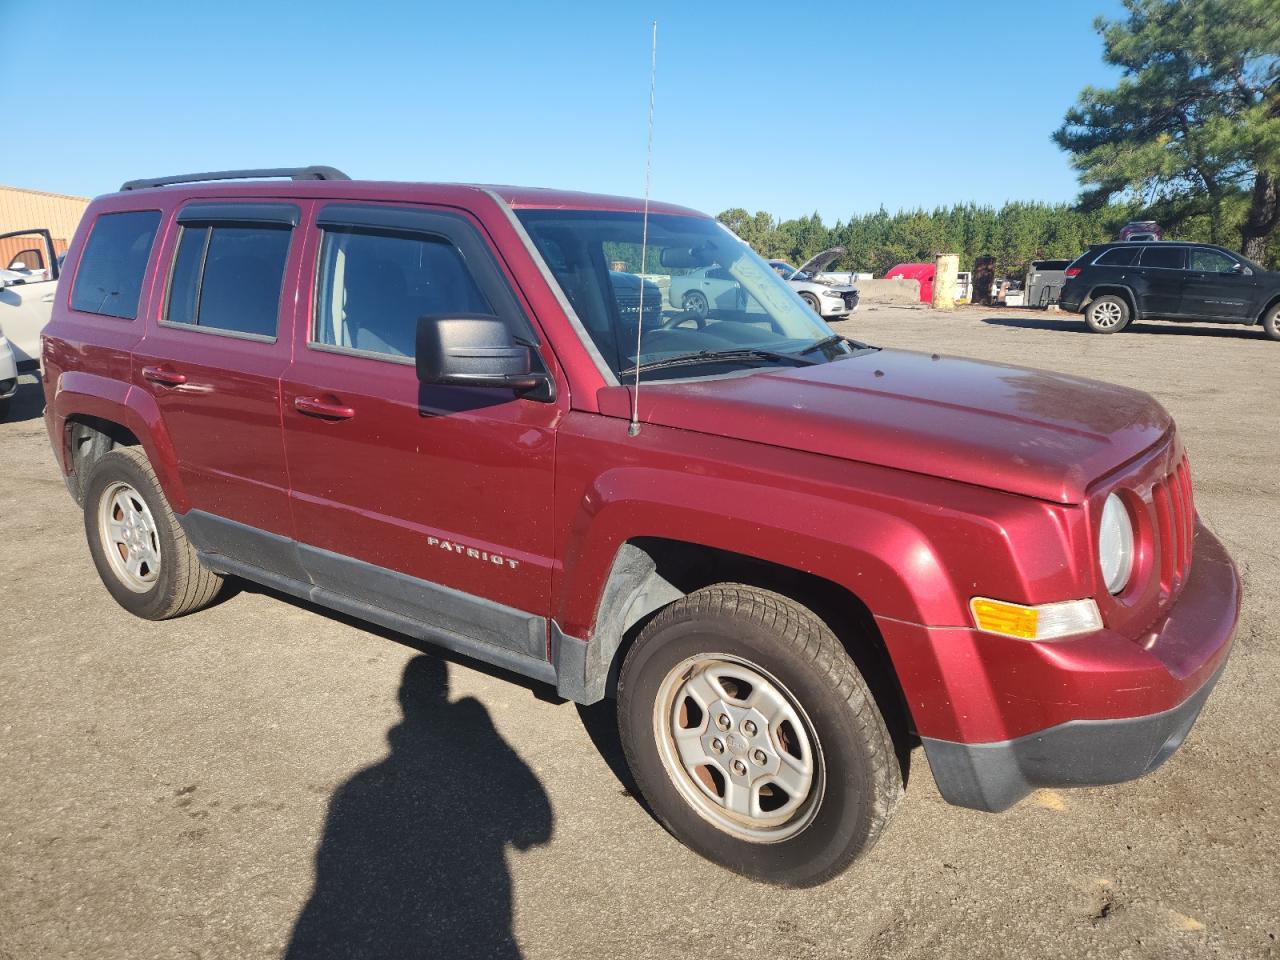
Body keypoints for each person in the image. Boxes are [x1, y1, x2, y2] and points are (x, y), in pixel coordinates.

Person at [285, 655, 553, 959]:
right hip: (475, 929)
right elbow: (537, 827)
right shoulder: (363, 789)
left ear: (402, 699)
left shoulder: (356, 789)